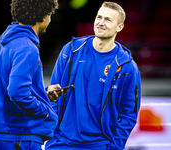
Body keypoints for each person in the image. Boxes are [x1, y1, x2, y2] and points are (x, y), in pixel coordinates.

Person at [45, 1, 141, 150]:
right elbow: (53, 95)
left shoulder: (127, 67)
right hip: (61, 143)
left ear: (120, 27)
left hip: (100, 145)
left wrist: (114, 147)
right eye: (99, 17)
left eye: (108, 19)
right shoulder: (71, 50)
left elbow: (129, 115)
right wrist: (52, 134)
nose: (101, 23)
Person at [0, 0, 61, 150]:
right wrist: (45, 110)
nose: (50, 19)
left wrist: (43, 94)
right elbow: (16, 93)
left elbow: (13, 90)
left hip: (4, 133)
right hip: (19, 134)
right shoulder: (27, 48)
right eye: (50, 14)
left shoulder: (9, 41)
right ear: (42, 15)